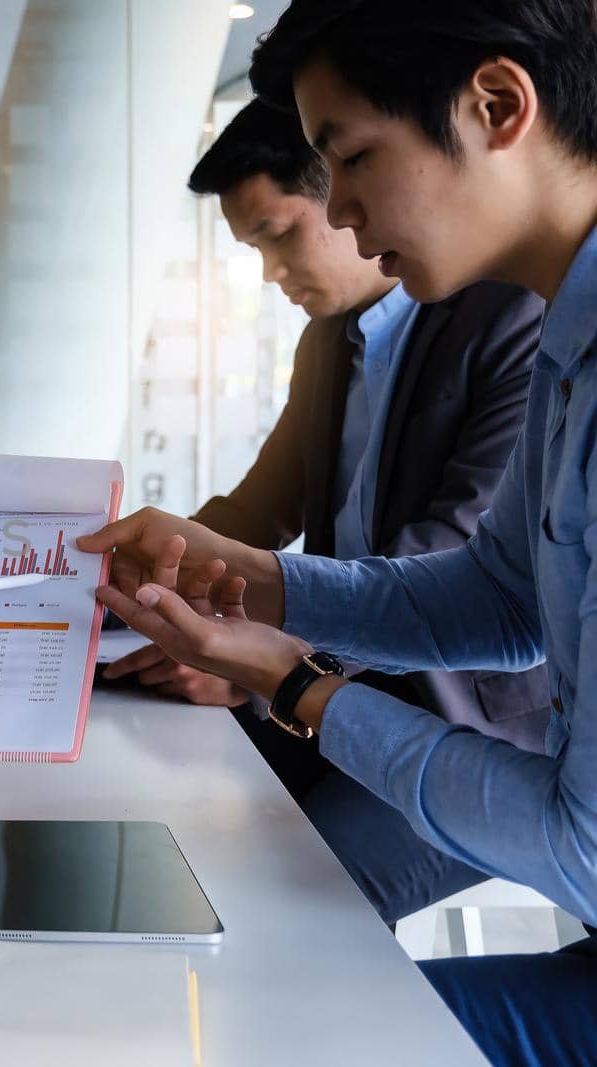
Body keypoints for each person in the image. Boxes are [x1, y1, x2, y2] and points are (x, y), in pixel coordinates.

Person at [81, 2, 597, 1062]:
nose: (341, 207)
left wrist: (293, 679)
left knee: (258, 1013)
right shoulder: (566, 339)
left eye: (351, 156)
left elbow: (580, 845)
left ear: (497, 106)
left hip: (558, 842)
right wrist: (247, 575)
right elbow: (496, 600)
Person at [106, 98, 548, 924]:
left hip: (470, 722)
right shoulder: (330, 340)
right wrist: (126, 580)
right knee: (171, 821)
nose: (271, 272)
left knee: (287, 902)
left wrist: (257, 655)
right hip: (332, 685)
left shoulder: (512, 322)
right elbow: (253, 510)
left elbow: (450, 558)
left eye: (278, 233)